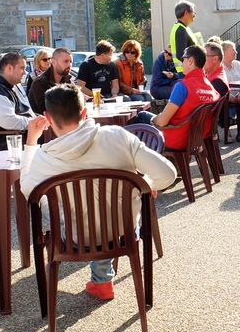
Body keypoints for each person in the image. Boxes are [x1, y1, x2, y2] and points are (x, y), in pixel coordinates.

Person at [20, 84, 177, 302]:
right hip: (121, 233)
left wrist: (30, 142)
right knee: (108, 204)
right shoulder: (118, 137)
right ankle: (102, 280)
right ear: (84, 112)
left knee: (49, 203)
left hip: (75, 238)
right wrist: (145, 184)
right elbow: (168, 174)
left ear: (47, 117)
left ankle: (97, 279)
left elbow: (29, 192)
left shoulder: (44, 157)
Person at [153, 46, 220, 151]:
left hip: (177, 140)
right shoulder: (210, 86)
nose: (181, 63)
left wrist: (153, 119)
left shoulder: (182, 86)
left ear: (190, 60)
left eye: (182, 59)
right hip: (199, 139)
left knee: (141, 118)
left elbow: (162, 122)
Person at [27, 47, 75, 115]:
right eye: (66, 61)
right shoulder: (40, 83)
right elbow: (47, 111)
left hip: (66, 122)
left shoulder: (67, 80)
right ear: (53, 62)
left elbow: (77, 101)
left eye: (71, 62)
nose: (69, 65)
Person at [169, 1, 203, 75]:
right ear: (186, 13)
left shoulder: (180, 27)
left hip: (186, 71)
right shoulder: (181, 30)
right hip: (187, 72)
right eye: (193, 12)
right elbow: (181, 54)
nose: (194, 15)